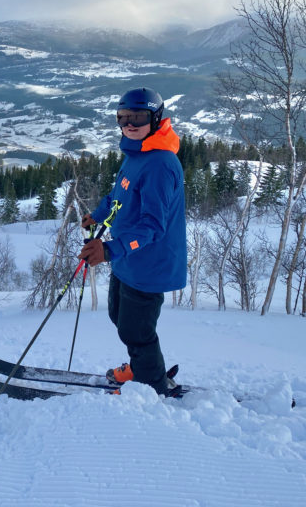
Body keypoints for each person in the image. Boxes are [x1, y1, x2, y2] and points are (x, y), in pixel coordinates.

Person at [78, 87, 187, 397]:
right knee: (119, 316)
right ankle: (143, 366)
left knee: (136, 330)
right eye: (123, 117)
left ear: (155, 118)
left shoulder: (160, 165)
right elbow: (119, 196)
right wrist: (97, 215)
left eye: (138, 116)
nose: (130, 123)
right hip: (128, 258)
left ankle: (152, 386)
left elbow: (153, 225)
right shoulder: (136, 154)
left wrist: (109, 249)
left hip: (150, 263)